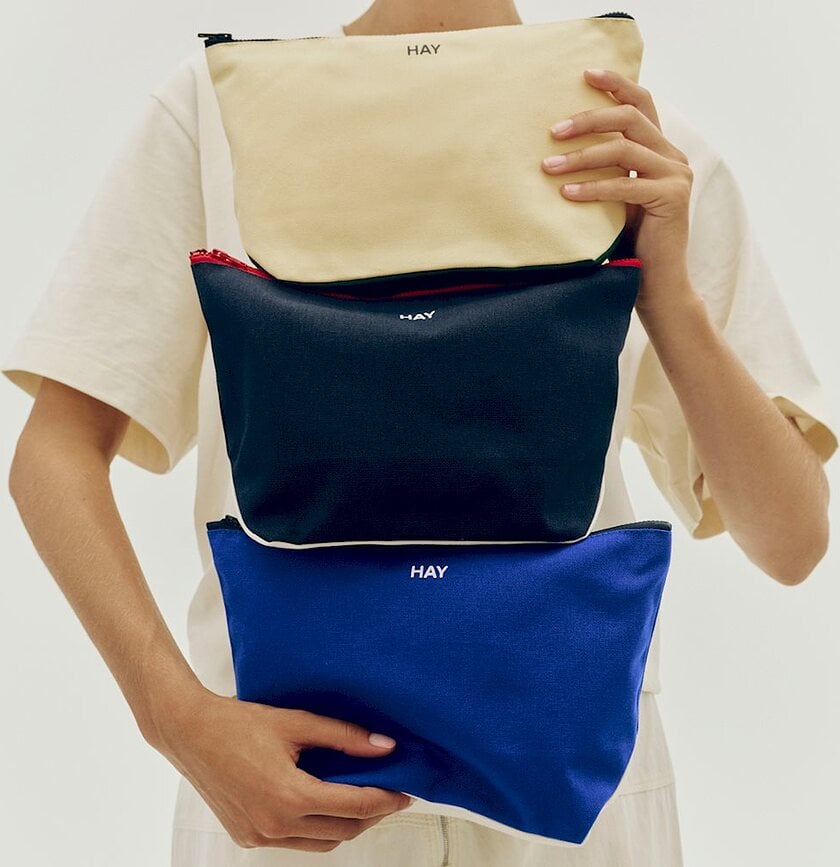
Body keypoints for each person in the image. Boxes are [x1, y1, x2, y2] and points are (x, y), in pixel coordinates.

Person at [4, 1, 837, 865]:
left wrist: (667, 295)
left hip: (573, 810)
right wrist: (178, 719)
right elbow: (55, 452)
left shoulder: (632, 142)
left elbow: (791, 540)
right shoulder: (220, 112)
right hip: (275, 799)